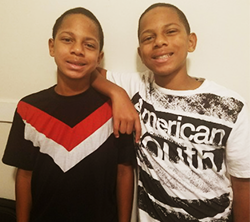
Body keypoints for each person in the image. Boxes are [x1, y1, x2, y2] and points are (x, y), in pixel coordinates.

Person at [92, 3, 250, 222]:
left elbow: (243, 186)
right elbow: (88, 70)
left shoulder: (231, 106)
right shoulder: (137, 87)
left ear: (191, 41)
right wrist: (117, 94)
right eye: (148, 38)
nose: (159, 42)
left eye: (171, 31)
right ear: (141, 53)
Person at [2, 7, 135, 222]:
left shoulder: (118, 111)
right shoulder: (28, 109)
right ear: (52, 46)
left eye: (89, 45)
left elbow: (124, 171)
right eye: (67, 40)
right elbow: (24, 175)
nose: (77, 50)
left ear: (99, 57)